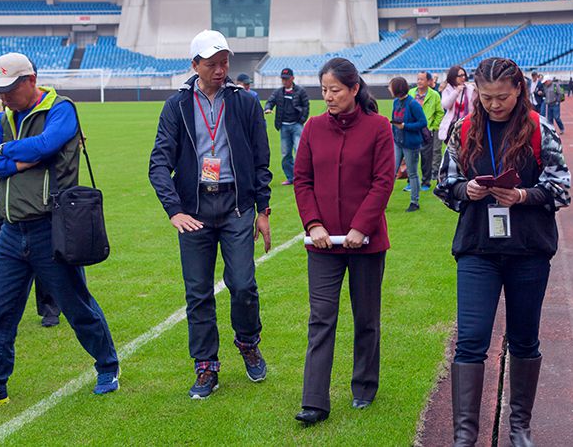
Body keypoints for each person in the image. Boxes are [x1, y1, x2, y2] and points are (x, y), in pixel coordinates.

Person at [0, 52, 120, 413]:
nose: (3, 97)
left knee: (76, 305)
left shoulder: (61, 109)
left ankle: (108, 366)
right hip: (11, 231)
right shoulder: (3, 117)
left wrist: (6, 152)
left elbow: (47, 145)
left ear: (30, 81)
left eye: (9, 89)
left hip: (51, 228)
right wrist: (20, 160)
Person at [434, 57, 571, 447]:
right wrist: (466, 190)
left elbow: (561, 188)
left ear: (519, 91)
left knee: (524, 339)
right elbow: (445, 184)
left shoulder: (540, 129)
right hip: (477, 249)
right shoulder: (464, 130)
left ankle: (519, 428)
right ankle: (464, 435)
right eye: (486, 97)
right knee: (470, 341)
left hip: (528, 251)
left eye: (502, 98)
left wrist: (523, 195)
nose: (494, 105)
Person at [149, 30, 273, 399]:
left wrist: (262, 209)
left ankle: (248, 342)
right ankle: (205, 365)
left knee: (243, 284)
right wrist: (174, 210)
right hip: (194, 210)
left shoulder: (245, 103)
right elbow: (159, 163)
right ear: (194, 65)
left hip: (236, 207)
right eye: (212, 64)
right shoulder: (176, 106)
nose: (220, 70)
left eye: (224, 62)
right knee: (198, 292)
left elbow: (261, 160)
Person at [292, 58, 395, 425]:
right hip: (323, 244)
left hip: (365, 243)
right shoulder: (313, 127)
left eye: (335, 90)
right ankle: (314, 401)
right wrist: (313, 224)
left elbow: (383, 181)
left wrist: (361, 227)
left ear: (354, 89)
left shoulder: (379, 127)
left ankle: (364, 387)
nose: (328, 97)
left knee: (366, 317)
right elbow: (302, 180)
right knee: (321, 318)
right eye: (324, 90)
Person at [0, 99, 60, 337]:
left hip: (38, 200)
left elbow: (66, 144)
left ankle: (50, 308)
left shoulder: (50, 109)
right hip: (4, 200)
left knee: (46, 254)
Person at [264, 67, 310, 186]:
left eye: (286, 79)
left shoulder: (300, 91)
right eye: (283, 79)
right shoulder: (278, 92)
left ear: (292, 78)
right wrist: (268, 108)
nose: (284, 81)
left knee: (300, 152)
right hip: (284, 127)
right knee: (286, 154)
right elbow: (270, 101)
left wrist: (301, 120)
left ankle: (303, 177)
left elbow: (306, 106)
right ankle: (291, 178)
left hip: (297, 126)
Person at [389, 77, 427, 213]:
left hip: (410, 144)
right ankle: (382, 201)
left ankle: (414, 202)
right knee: (391, 172)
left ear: (397, 88)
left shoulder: (413, 104)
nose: (389, 89)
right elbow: (395, 121)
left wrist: (405, 126)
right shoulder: (396, 102)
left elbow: (423, 122)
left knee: (412, 173)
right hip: (398, 142)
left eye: (390, 86)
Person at [409, 71, 443, 191]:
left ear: (428, 81)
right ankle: (411, 182)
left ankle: (425, 182)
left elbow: (439, 112)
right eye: (418, 79)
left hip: (426, 130)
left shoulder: (434, 95)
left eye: (422, 79)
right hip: (412, 129)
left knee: (426, 158)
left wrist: (433, 126)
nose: (419, 81)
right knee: (411, 157)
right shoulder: (411, 93)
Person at [439, 66, 475, 145]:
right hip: (454, 125)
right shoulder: (447, 89)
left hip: (468, 124)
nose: (463, 78)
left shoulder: (469, 88)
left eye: (464, 75)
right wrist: (456, 92)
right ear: (453, 77)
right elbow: (446, 105)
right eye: (460, 76)